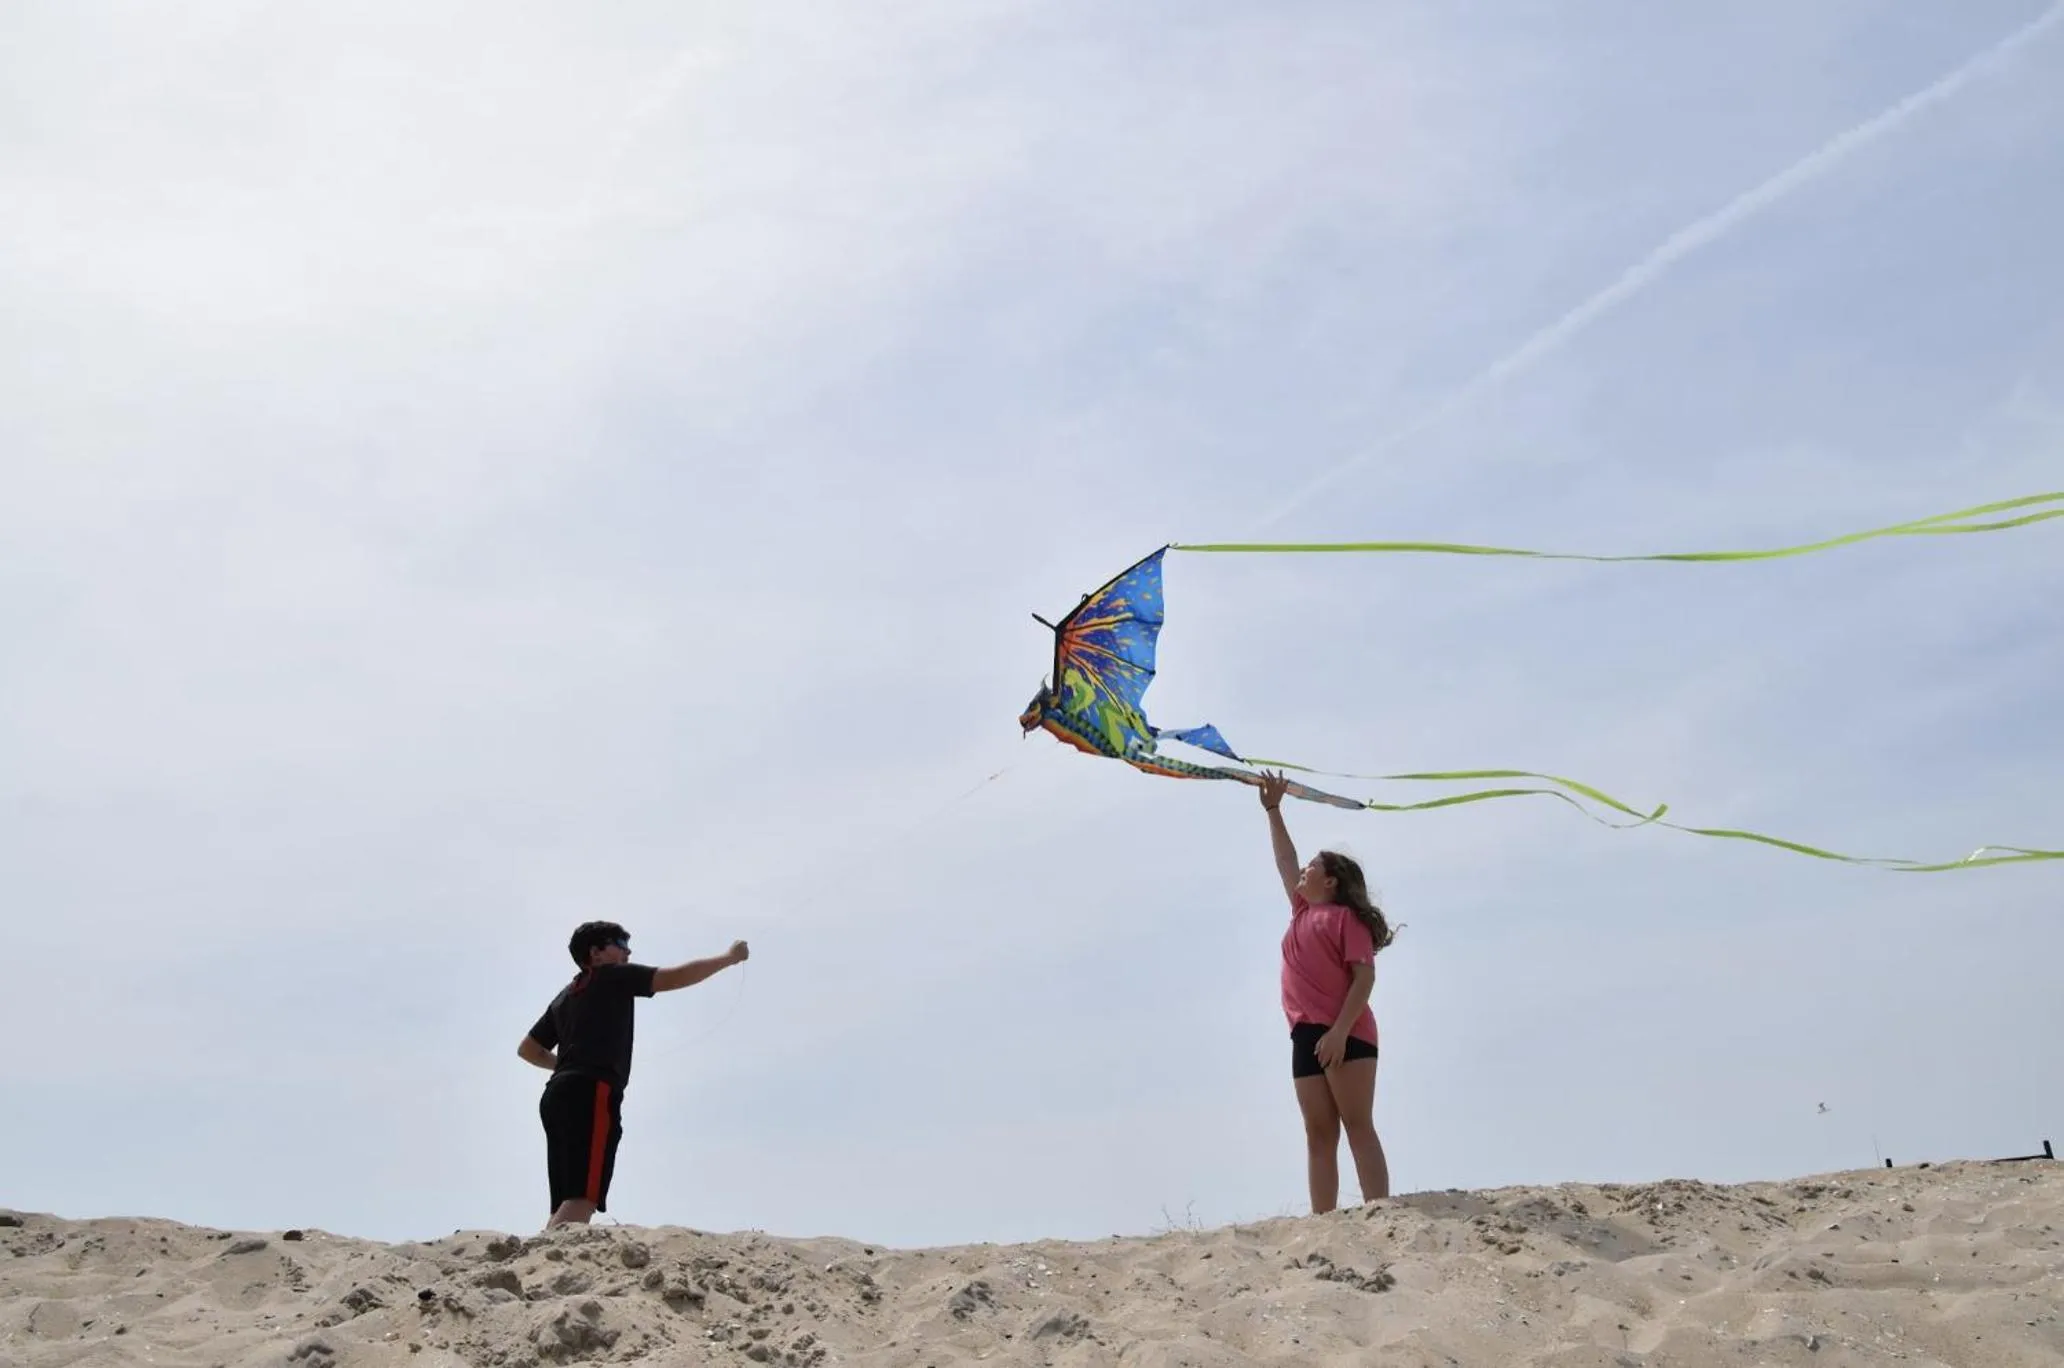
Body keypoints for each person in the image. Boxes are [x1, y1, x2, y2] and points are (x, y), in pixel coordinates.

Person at [518, 920, 749, 1228]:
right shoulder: (612, 976)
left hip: (556, 1095)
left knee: (567, 1198)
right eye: (620, 944)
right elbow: (674, 977)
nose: (628, 951)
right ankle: (550, 1271)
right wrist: (729, 958)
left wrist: (563, 1067)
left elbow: (528, 1049)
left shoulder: (566, 995)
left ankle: (540, 1262)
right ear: (596, 953)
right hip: (591, 1090)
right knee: (582, 1197)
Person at [1259, 771, 1396, 1212]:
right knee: (1318, 1133)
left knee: (1357, 1125)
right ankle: (1324, 1221)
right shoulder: (1301, 911)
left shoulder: (1344, 919)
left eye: (1312, 868)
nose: (1303, 871)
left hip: (1346, 1031)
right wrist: (1274, 810)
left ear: (1332, 880)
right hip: (1304, 1033)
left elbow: (1365, 978)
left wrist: (1338, 1032)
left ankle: (1381, 1213)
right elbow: (1284, 859)